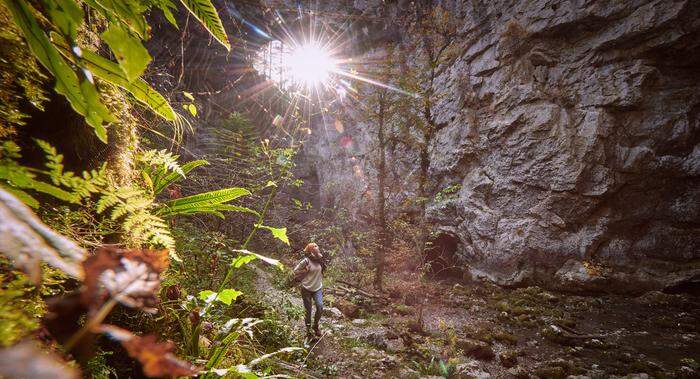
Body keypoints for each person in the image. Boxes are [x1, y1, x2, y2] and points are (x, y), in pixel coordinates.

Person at [293, 242, 325, 337]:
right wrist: (304, 270)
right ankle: (308, 330)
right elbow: (295, 270)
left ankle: (315, 326)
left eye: (317, 245)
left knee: (320, 306)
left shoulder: (320, 259)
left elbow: (322, 269)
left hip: (317, 288)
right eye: (314, 246)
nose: (317, 247)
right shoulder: (306, 261)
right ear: (310, 250)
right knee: (308, 310)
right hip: (306, 288)